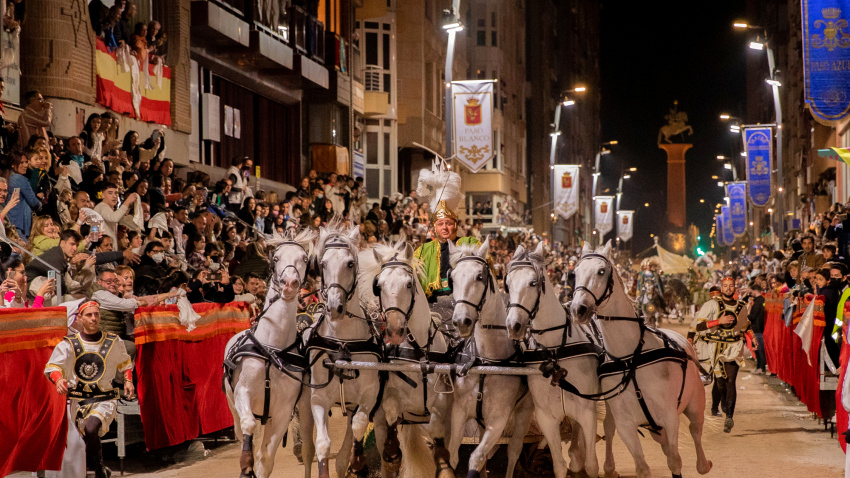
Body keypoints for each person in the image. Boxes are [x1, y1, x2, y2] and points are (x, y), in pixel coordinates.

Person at [44, 300, 133, 478]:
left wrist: (128, 381)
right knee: (85, 438)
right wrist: (59, 379)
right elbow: (53, 367)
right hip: (80, 401)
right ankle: (96, 468)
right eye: (89, 315)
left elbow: (124, 363)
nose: (93, 318)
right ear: (80, 318)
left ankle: (99, 468)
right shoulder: (69, 344)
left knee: (92, 429)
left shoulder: (112, 341)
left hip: (104, 399)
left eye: (96, 314)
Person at [412, 162, 479, 330]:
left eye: (448, 223)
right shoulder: (422, 251)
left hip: (464, 305)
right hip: (432, 307)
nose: (444, 227)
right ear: (435, 227)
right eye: (440, 223)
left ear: (455, 225)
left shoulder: (469, 244)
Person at [690, 276, 753, 433]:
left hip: (734, 346)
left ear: (735, 288)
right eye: (725, 286)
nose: (728, 289)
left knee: (731, 380)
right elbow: (698, 326)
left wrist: (752, 338)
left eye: (731, 286)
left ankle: (729, 417)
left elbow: (745, 325)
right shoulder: (710, 305)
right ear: (722, 287)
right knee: (720, 382)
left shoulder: (741, 306)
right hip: (715, 347)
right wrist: (718, 321)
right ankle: (722, 401)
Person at [748, 284, 767, 374]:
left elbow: (752, 316)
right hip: (758, 328)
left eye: (751, 291)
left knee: (759, 349)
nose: (750, 293)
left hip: (757, 328)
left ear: (755, 291)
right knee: (757, 348)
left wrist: (746, 316)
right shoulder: (760, 300)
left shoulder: (758, 302)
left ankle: (761, 367)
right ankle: (759, 366)